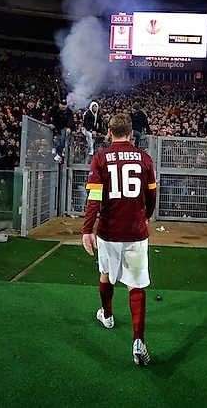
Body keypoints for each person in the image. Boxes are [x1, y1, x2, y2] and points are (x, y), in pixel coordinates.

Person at [82, 113, 157, 366]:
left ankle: (108, 315)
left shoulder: (100, 158)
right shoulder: (144, 158)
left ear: (110, 133)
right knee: (136, 285)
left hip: (109, 231)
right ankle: (138, 341)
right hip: (136, 231)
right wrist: (146, 216)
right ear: (132, 134)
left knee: (106, 273)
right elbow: (152, 195)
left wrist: (87, 229)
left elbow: (94, 198)